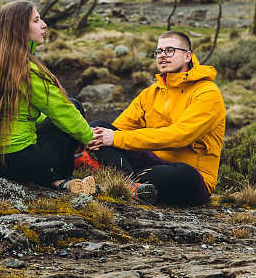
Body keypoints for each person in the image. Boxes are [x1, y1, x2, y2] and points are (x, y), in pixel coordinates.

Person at [0, 0, 96, 195]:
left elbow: (22, 113)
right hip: (17, 161)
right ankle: (63, 179)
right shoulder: (25, 69)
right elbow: (62, 111)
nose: (44, 24)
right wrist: (90, 138)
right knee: (74, 107)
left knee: (50, 122)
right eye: (36, 20)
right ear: (19, 29)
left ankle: (50, 180)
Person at [86, 31, 225, 205]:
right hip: (149, 164)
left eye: (170, 50)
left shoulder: (207, 92)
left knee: (184, 174)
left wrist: (116, 138)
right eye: (159, 52)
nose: (162, 56)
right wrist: (96, 139)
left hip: (190, 176)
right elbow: (120, 127)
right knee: (98, 126)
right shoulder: (150, 94)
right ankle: (130, 186)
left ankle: (109, 176)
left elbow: (180, 136)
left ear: (187, 56)